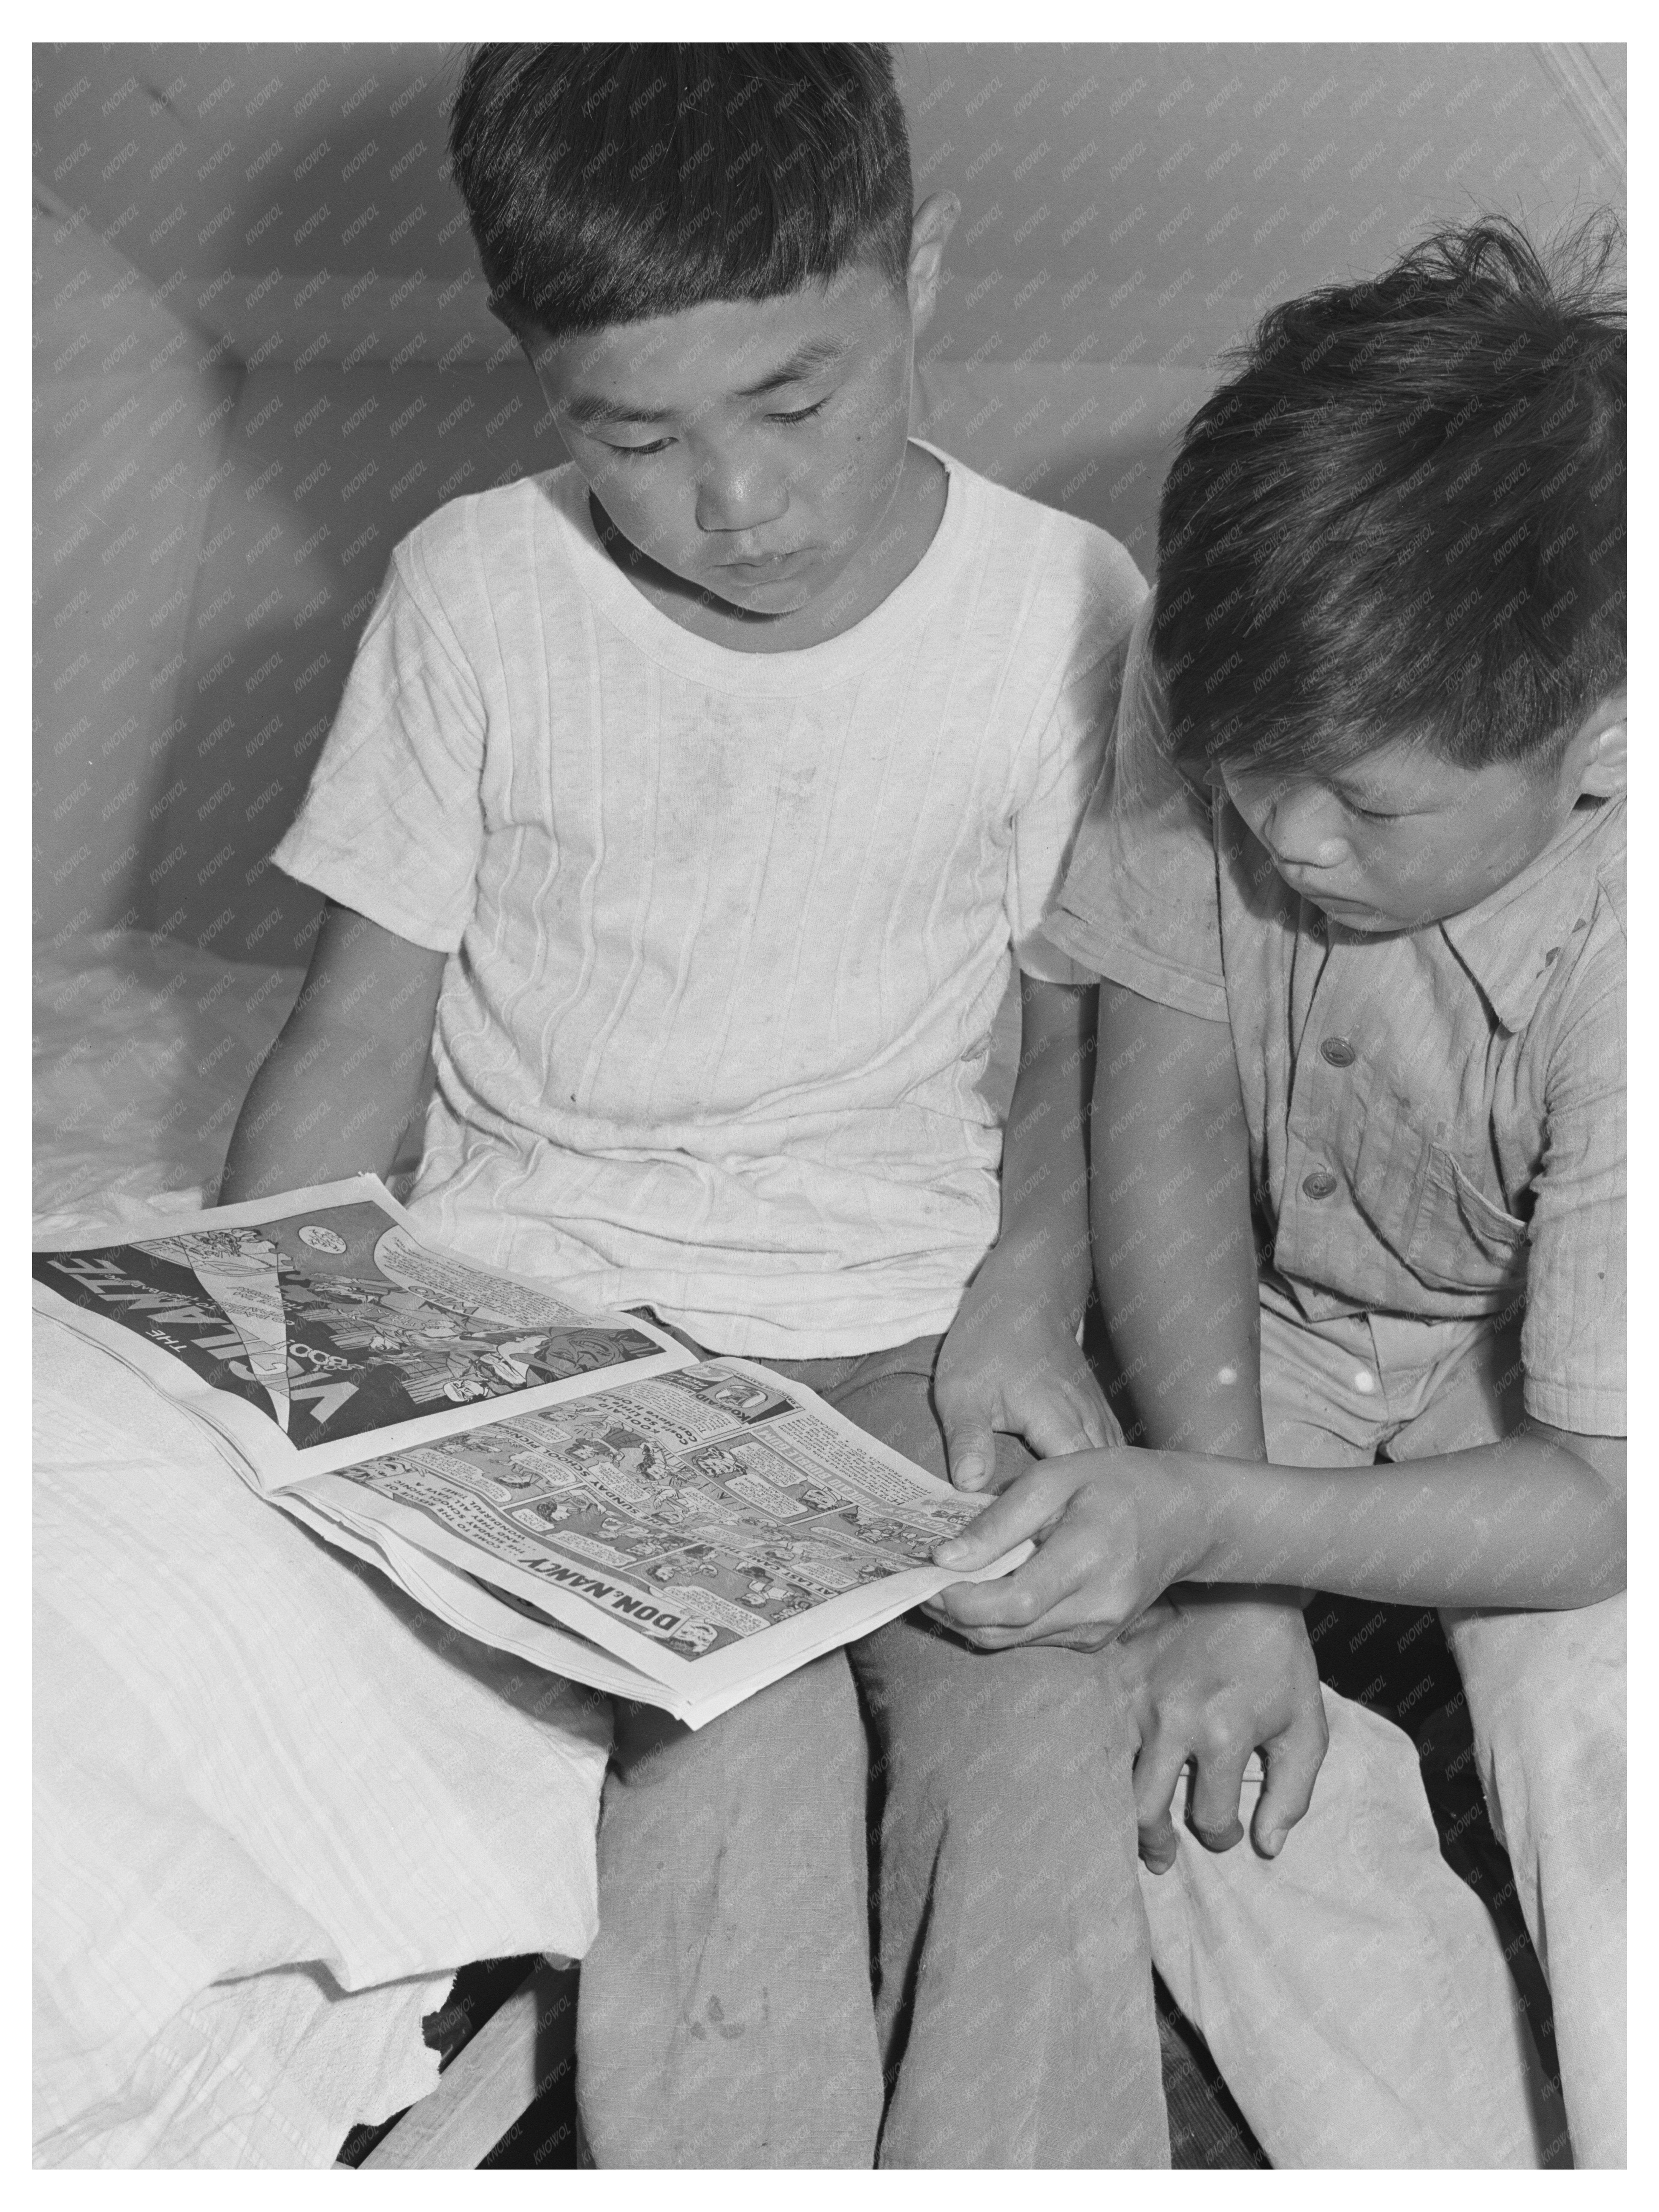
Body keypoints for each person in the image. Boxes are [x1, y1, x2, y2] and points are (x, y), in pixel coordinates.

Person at [220, 43, 1164, 2169]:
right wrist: (274, 1357)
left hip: (908, 1322)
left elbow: (1077, 1035)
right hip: (558, 1335)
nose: (731, 501)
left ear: (918, 267)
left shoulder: (1066, 602)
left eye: (795, 402)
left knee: (1029, 1745)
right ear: (528, 372)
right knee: (725, 1779)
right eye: (628, 434)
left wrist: (1024, 1302)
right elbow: (356, 1037)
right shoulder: (472, 588)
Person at [931, 218, 1626, 2168]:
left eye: (1372, 804)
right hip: (1287, 1324)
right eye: (1249, 770)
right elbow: (1153, 1102)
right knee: (1153, 1738)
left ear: (1601, 749)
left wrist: (1213, 1519)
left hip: (1578, 1420)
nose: (1285, 834)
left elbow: (1592, 1508)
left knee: (1613, 1756)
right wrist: (1225, 1567)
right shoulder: (1244, 651)